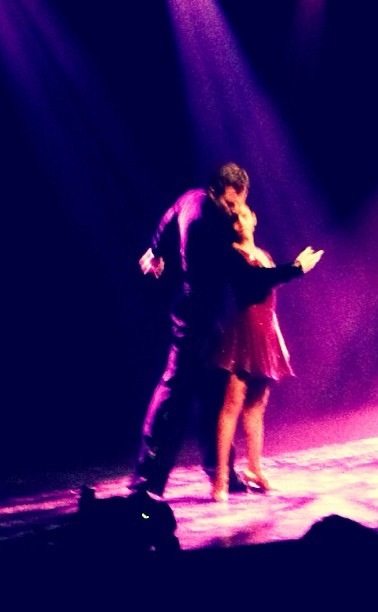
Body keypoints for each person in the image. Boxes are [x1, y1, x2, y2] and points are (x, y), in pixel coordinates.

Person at [129, 162, 254, 498]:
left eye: (239, 203)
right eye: (230, 203)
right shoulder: (206, 225)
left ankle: (219, 470)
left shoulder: (191, 198)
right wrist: (288, 268)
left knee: (213, 395)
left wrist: (155, 250)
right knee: (175, 396)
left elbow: (169, 216)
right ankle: (147, 480)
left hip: (206, 314)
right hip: (196, 316)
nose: (235, 210)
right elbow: (236, 274)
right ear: (214, 193)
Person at [211, 205, 324, 502]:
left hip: (266, 330)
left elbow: (270, 282)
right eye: (234, 219)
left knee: (257, 406)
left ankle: (254, 469)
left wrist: (293, 269)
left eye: (243, 215)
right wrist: (295, 268)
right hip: (246, 329)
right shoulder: (232, 255)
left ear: (254, 219)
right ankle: (221, 477)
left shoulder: (264, 255)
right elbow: (255, 282)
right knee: (232, 404)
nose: (239, 222)